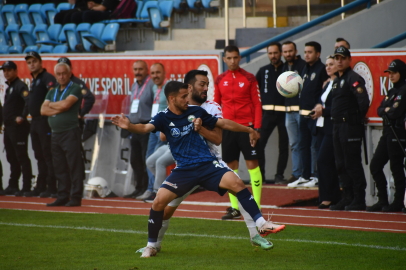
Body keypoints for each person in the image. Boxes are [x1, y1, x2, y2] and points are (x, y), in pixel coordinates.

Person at [112, 81, 284, 258]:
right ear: (171, 99)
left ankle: (262, 224)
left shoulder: (196, 111)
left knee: (237, 183)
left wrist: (249, 130)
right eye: (183, 96)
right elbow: (145, 127)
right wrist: (130, 125)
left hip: (207, 165)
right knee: (158, 202)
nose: (187, 99)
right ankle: (151, 245)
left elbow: (223, 123)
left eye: (187, 95)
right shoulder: (163, 117)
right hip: (184, 170)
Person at [214, 45, 262, 220]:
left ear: (239, 58)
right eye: (229, 58)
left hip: (246, 128)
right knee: (230, 169)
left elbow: (257, 104)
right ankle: (235, 208)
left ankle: (256, 206)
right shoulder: (220, 79)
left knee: (252, 166)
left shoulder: (249, 78)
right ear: (225, 59)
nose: (232, 61)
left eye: (235, 57)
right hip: (227, 129)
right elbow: (216, 105)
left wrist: (256, 129)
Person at [329, 46, 370, 211]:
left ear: (348, 60)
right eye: (337, 58)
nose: (339, 61)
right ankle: (347, 197)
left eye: (342, 58)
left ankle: (359, 198)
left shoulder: (354, 78)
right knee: (340, 163)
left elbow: (363, 101)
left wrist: (356, 121)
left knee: (352, 162)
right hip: (337, 125)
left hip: (349, 126)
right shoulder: (337, 80)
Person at [41, 62, 85, 207]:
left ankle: (76, 196)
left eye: (64, 73)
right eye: (58, 74)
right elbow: (43, 110)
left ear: (69, 73)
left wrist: (53, 105)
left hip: (70, 132)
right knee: (59, 166)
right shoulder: (52, 91)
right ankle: (62, 195)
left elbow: (67, 105)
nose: (61, 76)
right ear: (55, 75)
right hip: (55, 134)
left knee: (74, 165)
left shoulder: (75, 88)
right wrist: (59, 107)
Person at [367, 59, 406, 212]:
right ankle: (382, 200)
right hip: (387, 132)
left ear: (401, 73)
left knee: (396, 167)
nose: (391, 75)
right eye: (389, 73)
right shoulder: (392, 91)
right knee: (375, 165)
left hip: (397, 133)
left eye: (394, 72)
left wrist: (387, 110)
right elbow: (380, 109)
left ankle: (398, 201)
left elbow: (395, 111)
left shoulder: (403, 90)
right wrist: (387, 110)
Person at [288, 42, 328, 188]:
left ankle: (316, 176)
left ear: (317, 54)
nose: (306, 55)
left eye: (310, 52)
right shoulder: (305, 68)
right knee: (302, 145)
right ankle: (305, 176)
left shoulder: (322, 69)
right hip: (302, 114)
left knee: (316, 146)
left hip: (315, 115)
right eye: (305, 52)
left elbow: (324, 92)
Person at [24, 52, 58, 198]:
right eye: (29, 62)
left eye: (34, 61)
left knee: (47, 154)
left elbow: (53, 97)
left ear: (40, 62)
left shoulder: (47, 78)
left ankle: (52, 187)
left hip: (44, 121)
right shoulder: (34, 80)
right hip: (35, 121)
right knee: (38, 155)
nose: (32, 64)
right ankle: (41, 185)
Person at [311, 55, 341, 209]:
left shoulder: (339, 83)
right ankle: (327, 196)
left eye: (331, 64)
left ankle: (328, 197)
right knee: (324, 162)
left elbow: (337, 107)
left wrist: (323, 110)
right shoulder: (327, 83)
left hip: (332, 128)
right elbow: (321, 102)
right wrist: (317, 108)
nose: (328, 67)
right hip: (322, 127)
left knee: (324, 160)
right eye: (327, 65)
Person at [255, 42, 288, 183]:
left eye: (275, 53)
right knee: (259, 144)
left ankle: (279, 176)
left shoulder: (288, 69)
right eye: (270, 53)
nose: (273, 56)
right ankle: (260, 176)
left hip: (285, 114)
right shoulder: (263, 71)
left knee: (284, 146)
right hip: (266, 114)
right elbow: (255, 92)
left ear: (280, 53)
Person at [137, 63, 169, 201]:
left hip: (162, 130)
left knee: (157, 161)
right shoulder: (154, 87)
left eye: (158, 72)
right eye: (153, 73)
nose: (155, 75)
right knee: (149, 159)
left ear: (164, 72)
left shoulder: (168, 88)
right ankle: (152, 189)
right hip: (152, 128)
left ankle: (158, 191)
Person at [123, 60, 155, 199]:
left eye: (140, 69)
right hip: (134, 126)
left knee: (145, 159)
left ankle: (147, 188)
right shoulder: (134, 85)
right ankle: (138, 187)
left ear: (146, 70)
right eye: (135, 69)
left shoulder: (152, 85)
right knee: (135, 160)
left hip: (146, 126)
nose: (138, 72)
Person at [1, 61, 33, 196]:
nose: (6, 73)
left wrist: (22, 116)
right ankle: (13, 184)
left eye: (9, 70)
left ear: (15, 71)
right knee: (11, 157)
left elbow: (29, 100)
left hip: (18, 128)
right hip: (8, 128)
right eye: (4, 70)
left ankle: (26, 187)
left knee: (21, 156)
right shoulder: (9, 88)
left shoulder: (20, 86)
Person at [281, 41, 306, 184]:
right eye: (285, 52)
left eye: (290, 51)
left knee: (304, 143)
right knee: (294, 144)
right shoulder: (284, 67)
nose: (288, 54)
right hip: (288, 111)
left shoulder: (302, 65)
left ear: (295, 51)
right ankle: (296, 173)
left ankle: (308, 173)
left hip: (301, 111)